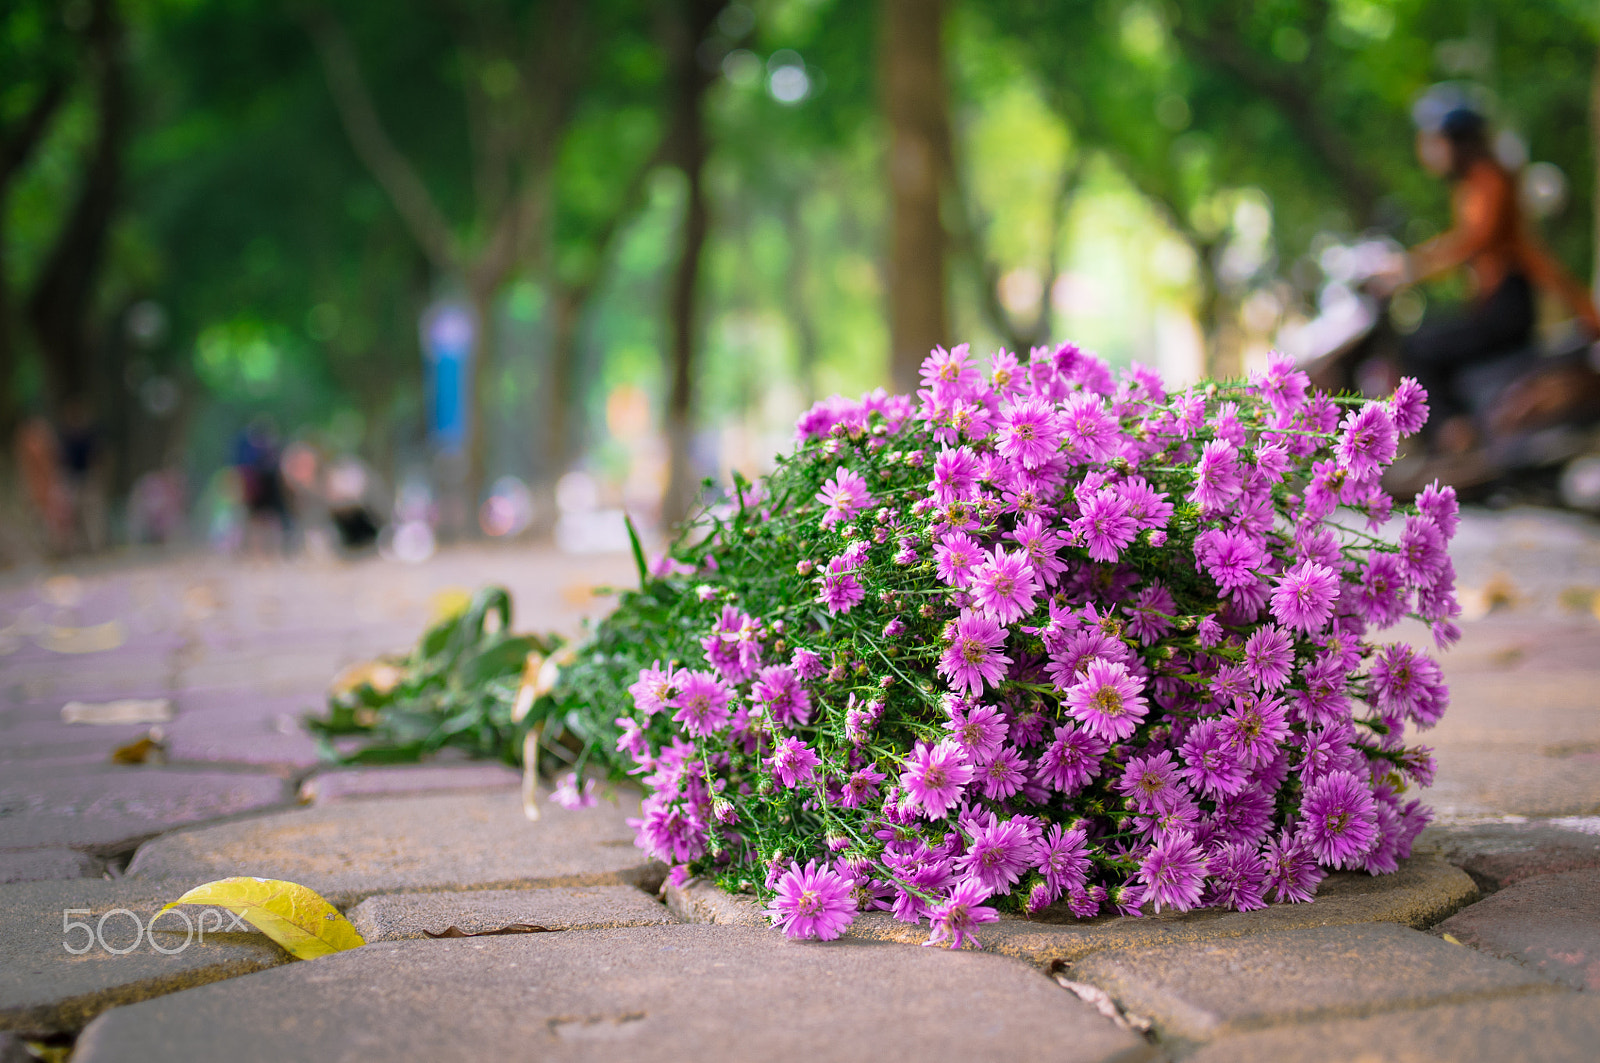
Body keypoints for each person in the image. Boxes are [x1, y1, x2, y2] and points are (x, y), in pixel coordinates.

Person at [1377, 100, 1600, 451]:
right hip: (1494, 302)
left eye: (1434, 141)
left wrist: (1409, 268)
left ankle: (1456, 436)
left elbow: (1475, 241)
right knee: (1426, 343)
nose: (1428, 152)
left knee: (1419, 348)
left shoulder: (1490, 179)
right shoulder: (1472, 186)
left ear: (1457, 141)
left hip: (1507, 305)